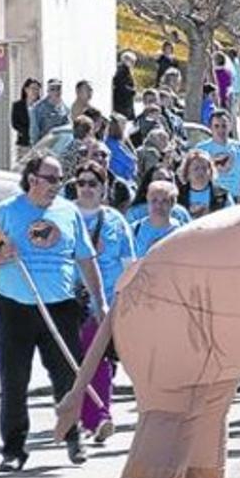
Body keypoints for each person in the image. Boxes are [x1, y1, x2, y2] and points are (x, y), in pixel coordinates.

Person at [0, 152, 107, 470]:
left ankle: (73, 437)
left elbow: (86, 259)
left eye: (60, 179)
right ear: (32, 179)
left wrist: (99, 300)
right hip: (15, 307)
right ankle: (13, 449)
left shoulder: (69, 212)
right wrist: (2, 255)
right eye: (51, 179)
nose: (57, 185)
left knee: (68, 377)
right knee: (14, 380)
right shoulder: (6, 212)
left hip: (61, 307)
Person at [71, 160, 136, 444]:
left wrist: (127, 299)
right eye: (81, 183)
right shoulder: (62, 215)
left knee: (98, 359)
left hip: (105, 302)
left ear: (104, 188)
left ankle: (99, 416)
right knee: (72, 362)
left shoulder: (115, 221)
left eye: (92, 183)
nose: (86, 189)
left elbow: (128, 262)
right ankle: (80, 418)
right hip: (66, 299)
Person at [195, 110, 240, 201]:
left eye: (224, 126)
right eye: (216, 126)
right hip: (211, 199)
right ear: (210, 128)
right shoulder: (201, 149)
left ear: (230, 127)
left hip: (236, 198)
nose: (220, 130)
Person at [177, 149, 233, 219]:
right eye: (196, 168)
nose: (200, 172)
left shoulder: (222, 195)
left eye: (204, 168)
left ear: (211, 172)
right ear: (187, 172)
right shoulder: (177, 195)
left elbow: (232, 218)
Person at [133, 180, 183, 258]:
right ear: (148, 201)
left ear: (172, 204)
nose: (158, 205)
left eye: (164, 201)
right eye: (154, 200)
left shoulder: (182, 231)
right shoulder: (134, 229)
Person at [29, 78, 70, 146]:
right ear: (48, 91)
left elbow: (68, 128)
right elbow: (34, 132)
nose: (56, 92)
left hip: (60, 146)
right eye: (52, 89)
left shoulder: (65, 108)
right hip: (44, 146)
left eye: (58, 89)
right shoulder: (38, 108)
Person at [11, 78, 40, 154]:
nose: (35, 91)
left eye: (37, 89)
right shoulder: (17, 105)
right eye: (33, 88)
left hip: (40, 144)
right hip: (23, 143)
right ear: (26, 89)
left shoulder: (42, 105)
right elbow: (15, 123)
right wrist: (27, 131)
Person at [112, 52, 138, 120]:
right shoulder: (122, 71)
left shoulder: (126, 71)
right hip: (122, 102)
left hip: (125, 102)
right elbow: (121, 85)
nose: (133, 64)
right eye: (132, 61)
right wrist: (132, 91)